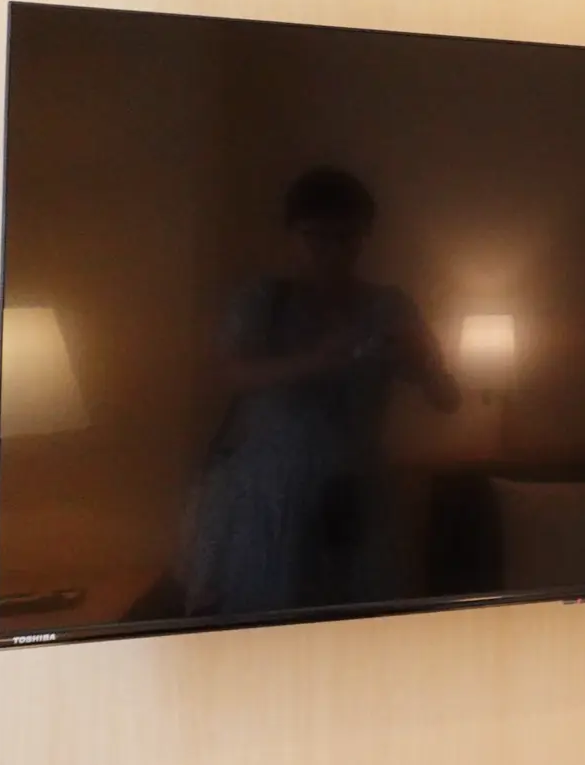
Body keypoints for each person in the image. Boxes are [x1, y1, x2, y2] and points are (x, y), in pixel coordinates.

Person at [177, 168, 459, 617]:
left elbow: (447, 399)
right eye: (316, 237)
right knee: (268, 620)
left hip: (358, 490)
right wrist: (317, 360)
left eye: (346, 238)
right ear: (292, 235)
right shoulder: (264, 300)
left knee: (359, 622)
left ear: (364, 237)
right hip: (270, 493)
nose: (331, 251)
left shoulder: (389, 306)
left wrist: (421, 362)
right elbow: (227, 375)